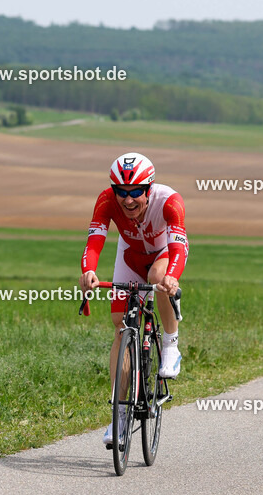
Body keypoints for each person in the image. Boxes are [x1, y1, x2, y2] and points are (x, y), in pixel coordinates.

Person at [78, 152, 188, 447]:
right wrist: (88, 271)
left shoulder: (169, 201)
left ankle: (170, 344)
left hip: (162, 256)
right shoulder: (105, 200)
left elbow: (179, 247)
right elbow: (94, 241)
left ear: (148, 188)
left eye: (136, 192)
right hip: (129, 257)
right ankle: (119, 417)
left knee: (156, 278)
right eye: (122, 192)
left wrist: (172, 276)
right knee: (119, 326)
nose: (128, 200)